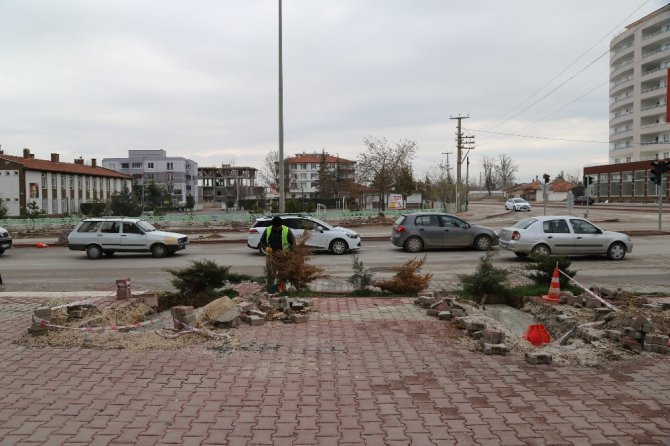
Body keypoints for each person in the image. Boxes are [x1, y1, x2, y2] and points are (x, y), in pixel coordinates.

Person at [259, 216, 295, 292]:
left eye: (279, 226)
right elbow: (262, 241)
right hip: (271, 256)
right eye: (276, 227)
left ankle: (282, 289)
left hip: (283, 256)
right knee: (271, 274)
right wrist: (265, 248)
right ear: (273, 226)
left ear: (281, 224)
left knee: (283, 274)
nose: (278, 228)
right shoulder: (268, 230)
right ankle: (270, 289)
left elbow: (293, 244)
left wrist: (290, 254)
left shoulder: (287, 230)